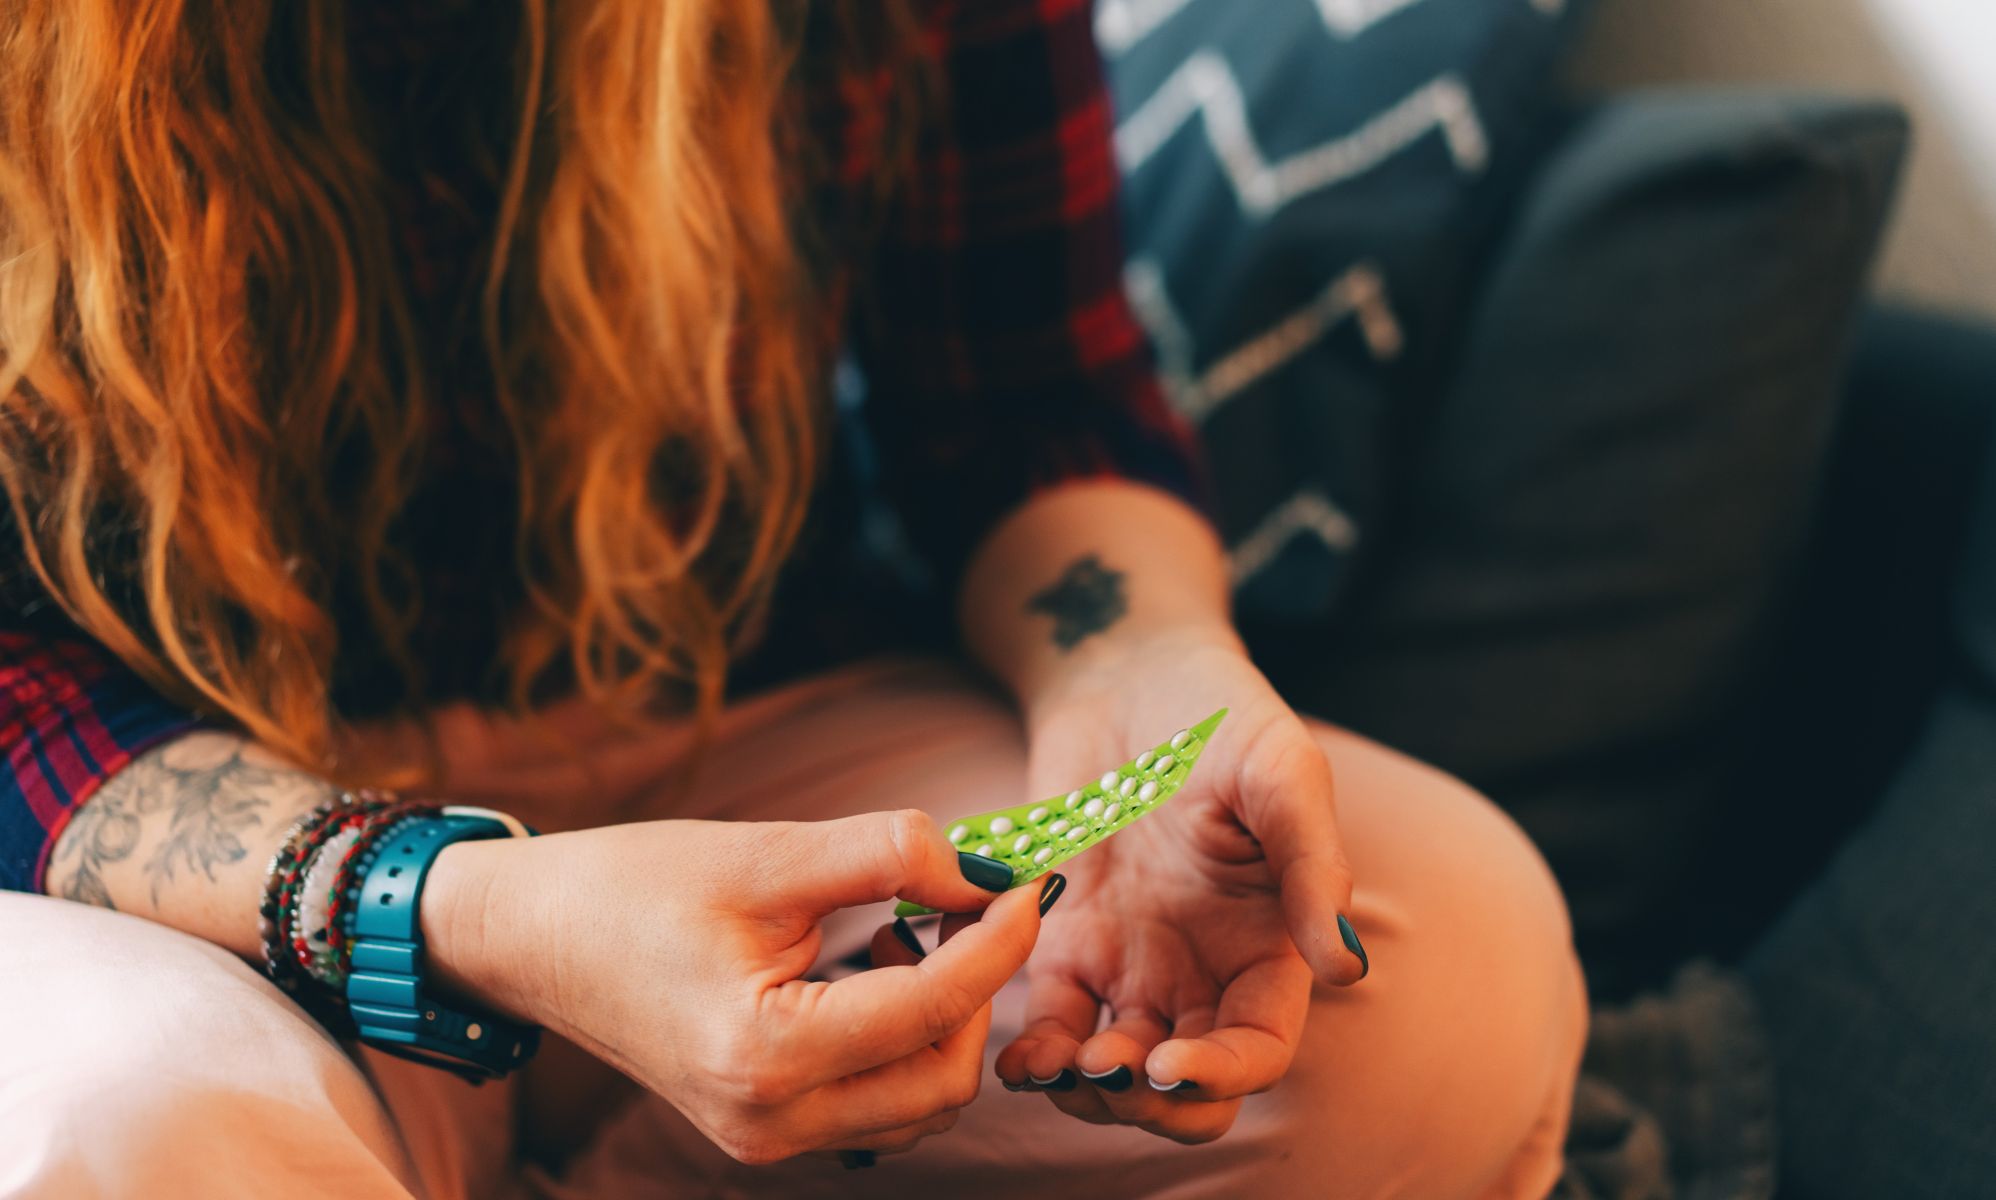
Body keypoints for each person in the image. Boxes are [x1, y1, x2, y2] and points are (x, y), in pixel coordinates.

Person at [0, 1, 1584, 1195]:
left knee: (1446, 963)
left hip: (734, 712)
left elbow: (1027, 398)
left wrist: (1151, 677)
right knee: (118, 1123)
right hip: (170, 831)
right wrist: (479, 912)